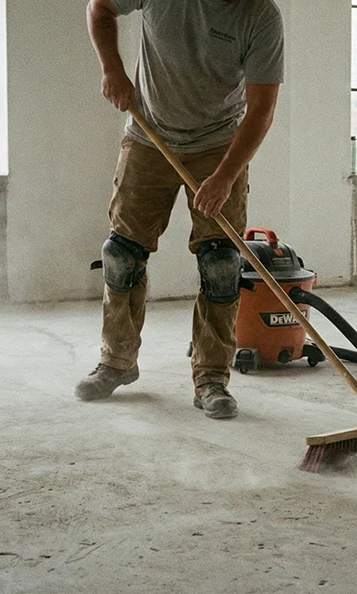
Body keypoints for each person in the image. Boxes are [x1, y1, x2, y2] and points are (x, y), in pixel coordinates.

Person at [77, 0, 284, 419]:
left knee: (221, 263)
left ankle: (211, 377)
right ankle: (117, 362)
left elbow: (262, 108)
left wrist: (225, 176)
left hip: (218, 145)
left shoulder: (261, 16)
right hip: (148, 135)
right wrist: (111, 68)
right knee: (121, 253)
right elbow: (99, 8)